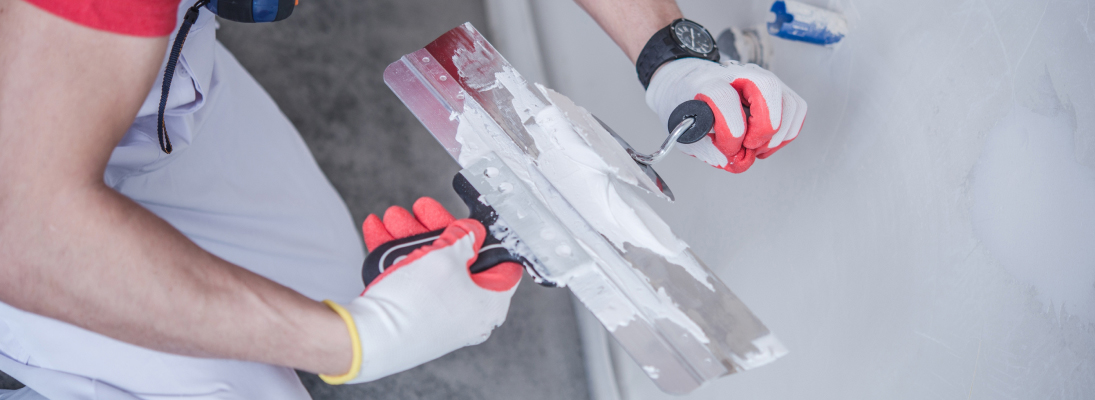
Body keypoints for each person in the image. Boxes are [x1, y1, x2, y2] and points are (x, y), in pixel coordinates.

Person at [0, 0, 806, 397]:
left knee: (321, 284)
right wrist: (352, 340)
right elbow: (26, 229)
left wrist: (669, 55)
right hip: (20, 191)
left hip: (136, 78)